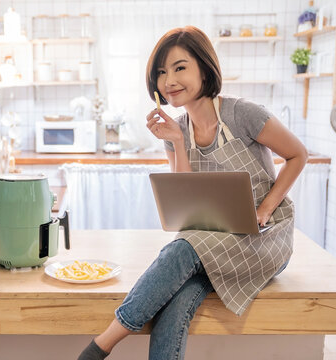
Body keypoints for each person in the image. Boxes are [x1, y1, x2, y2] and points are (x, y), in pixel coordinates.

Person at [77, 25, 308, 360]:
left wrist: (266, 208)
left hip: (262, 238)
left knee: (180, 249)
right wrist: (176, 143)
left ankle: (101, 346)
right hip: (213, 239)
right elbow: (187, 208)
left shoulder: (242, 113)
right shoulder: (177, 130)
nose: (168, 80)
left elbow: (298, 154)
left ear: (204, 67)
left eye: (180, 67)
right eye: (161, 72)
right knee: (177, 301)